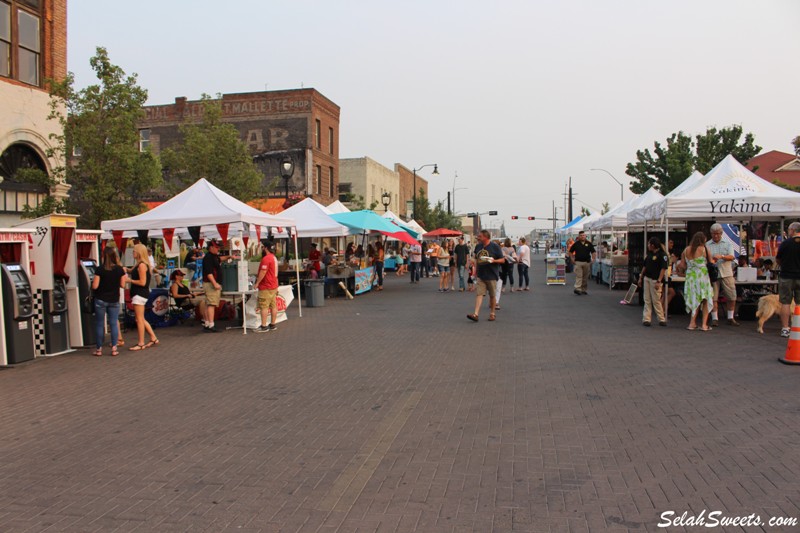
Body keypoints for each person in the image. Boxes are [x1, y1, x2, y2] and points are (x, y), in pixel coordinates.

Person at [91, 247, 127, 356]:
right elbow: (122, 285)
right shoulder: (120, 269)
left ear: (103, 256)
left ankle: (99, 349)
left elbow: (95, 286)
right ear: (114, 256)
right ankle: (114, 349)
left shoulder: (99, 269)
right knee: (114, 324)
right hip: (114, 300)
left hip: (101, 299)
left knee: (99, 324)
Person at [467, 230, 505, 322]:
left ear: (485, 237)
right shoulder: (478, 246)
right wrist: (471, 263)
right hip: (481, 275)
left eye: (480, 236)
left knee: (492, 296)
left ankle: (492, 313)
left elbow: (502, 260)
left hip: (492, 275)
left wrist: (494, 261)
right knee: (479, 294)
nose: (478, 237)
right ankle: (476, 314)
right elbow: (476, 258)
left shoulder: (495, 247)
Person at [706, 223, 739, 327]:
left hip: (726, 273)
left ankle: (730, 317)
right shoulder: (707, 245)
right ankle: (715, 318)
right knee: (713, 297)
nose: (716, 236)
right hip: (713, 275)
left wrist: (722, 256)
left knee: (731, 296)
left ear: (721, 233)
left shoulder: (728, 243)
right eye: (714, 234)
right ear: (711, 234)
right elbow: (705, 258)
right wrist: (711, 260)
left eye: (718, 234)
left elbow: (732, 257)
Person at [128, 243, 159, 350]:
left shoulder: (141, 265)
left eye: (134, 251)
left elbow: (142, 282)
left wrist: (130, 280)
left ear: (138, 252)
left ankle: (141, 342)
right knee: (141, 318)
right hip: (139, 293)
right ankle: (153, 337)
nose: (133, 253)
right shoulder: (139, 264)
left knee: (139, 319)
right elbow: (130, 271)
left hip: (139, 293)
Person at [682, 231, 714, 331]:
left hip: (691, 278)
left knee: (694, 299)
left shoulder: (686, 250)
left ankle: (692, 323)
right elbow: (711, 262)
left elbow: (682, 265)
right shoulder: (704, 249)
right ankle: (704, 325)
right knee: (705, 299)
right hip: (702, 278)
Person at [637, 237, 668, 327]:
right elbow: (645, 266)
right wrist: (641, 277)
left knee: (656, 300)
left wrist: (659, 280)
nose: (648, 246)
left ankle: (661, 318)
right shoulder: (649, 254)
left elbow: (663, 269)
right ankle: (646, 319)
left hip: (655, 279)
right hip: (647, 278)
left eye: (649, 244)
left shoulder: (662, 255)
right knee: (647, 299)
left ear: (653, 245)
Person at [777, 221, 800, 338]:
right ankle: (798, 327)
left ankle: (785, 328)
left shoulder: (785, 243)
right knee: (799, 303)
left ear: (792, 230)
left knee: (785, 303)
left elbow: (778, 259)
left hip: (786, 276)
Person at [202, 239, 230, 333]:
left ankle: (207, 323)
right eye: (216, 247)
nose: (218, 249)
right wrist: (215, 284)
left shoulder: (214, 256)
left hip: (210, 284)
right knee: (211, 304)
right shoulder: (208, 258)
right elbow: (209, 273)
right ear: (211, 247)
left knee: (208, 303)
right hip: (211, 284)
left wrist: (230, 256)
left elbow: (220, 258)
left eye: (218, 247)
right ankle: (211, 324)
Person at [254, 242, 280, 333]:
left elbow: (263, 272)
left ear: (265, 248)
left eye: (262, 247)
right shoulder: (274, 258)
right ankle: (273, 324)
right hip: (273, 285)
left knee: (264, 306)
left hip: (266, 286)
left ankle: (264, 326)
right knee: (273, 306)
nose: (262, 249)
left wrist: (257, 283)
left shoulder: (266, 259)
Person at [569, 231, 595, 295]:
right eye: (581, 235)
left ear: (585, 236)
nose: (582, 236)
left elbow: (593, 252)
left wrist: (593, 259)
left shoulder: (589, 244)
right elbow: (570, 252)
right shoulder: (576, 244)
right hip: (578, 262)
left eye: (583, 235)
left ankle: (583, 289)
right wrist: (572, 259)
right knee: (579, 276)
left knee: (585, 277)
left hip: (586, 262)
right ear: (579, 236)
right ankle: (578, 289)